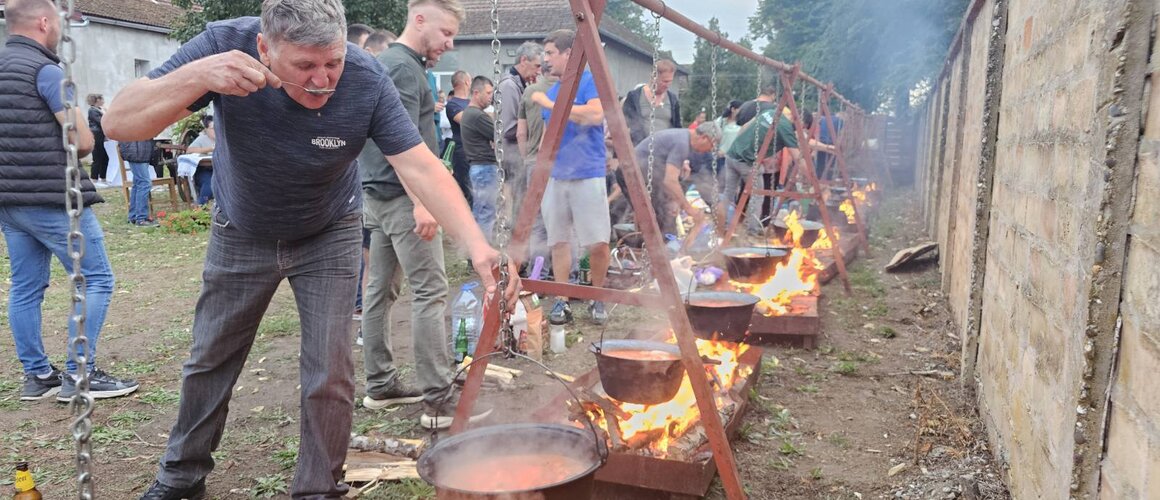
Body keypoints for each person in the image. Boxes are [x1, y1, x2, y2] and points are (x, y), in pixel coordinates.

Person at [101, 0, 514, 497]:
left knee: (330, 368)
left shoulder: (365, 78)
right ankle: (180, 478)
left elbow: (420, 165)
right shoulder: (221, 46)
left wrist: (477, 246)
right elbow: (119, 123)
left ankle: (319, 486)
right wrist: (199, 76)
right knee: (211, 358)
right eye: (305, 65)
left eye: (332, 62)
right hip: (242, 229)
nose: (322, 80)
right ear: (263, 48)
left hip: (328, 230)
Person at [358, 0, 498, 431]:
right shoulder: (402, 68)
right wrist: (422, 200)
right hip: (403, 197)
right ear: (419, 19)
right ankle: (439, 400)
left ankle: (380, 384)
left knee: (380, 290)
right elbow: (395, 143)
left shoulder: (394, 63)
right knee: (431, 290)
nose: (449, 44)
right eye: (446, 33)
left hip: (379, 195)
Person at [0, 0, 140, 403]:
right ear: (45, 22)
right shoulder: (46, 71)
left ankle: (37, 376)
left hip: (9, 201)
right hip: (53, 199)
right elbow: (80, 140)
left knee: (25, 286)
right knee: (97, 278)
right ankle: (81, 373)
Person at [531, 29, 611, 325]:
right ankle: (562, 299)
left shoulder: (590, 81)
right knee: (559, 241)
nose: (546, 59)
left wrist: (549, 104)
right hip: (556, 177)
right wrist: (540, 172)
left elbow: (594, 116)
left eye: (550, 53)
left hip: (587, 173)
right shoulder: (554, 90)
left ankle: (597, 297)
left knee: (597, 243)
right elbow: (548, 136)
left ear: (569, 54)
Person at [627, 123, 720, 235]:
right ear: (704, 138)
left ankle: (647, 241)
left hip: (639, 172)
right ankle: (659, 243)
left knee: (659, 216)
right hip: (634, 173)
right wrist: (688, 208)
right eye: (711, 146)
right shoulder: (682, 143)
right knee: (661, 218)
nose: (710, 150)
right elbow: (670, 181)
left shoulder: (683, 137)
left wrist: (676, 201)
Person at [516, 65, 554, 273]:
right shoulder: (569, 88)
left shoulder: (530, 91)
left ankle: (539, 272)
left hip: (534, 161)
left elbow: (521, 133)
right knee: (564, 220)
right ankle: (567, 274)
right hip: (562, 164)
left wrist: (526, 157)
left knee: (538, 220)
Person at [495, 41, 542, 205]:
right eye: (537, 66)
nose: (539, 71)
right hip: (512, 155)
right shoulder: (509, 85)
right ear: (523, 60)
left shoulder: (520, 84)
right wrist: (535, 127)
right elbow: (507, 127)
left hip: (517, 153)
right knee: (519, 203)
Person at [460, 76, 498, 238]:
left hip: (479, 167)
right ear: (476, 93)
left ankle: (476, 246)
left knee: (480, 210)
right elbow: (499, 136)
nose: (491, 96)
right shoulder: (477, 116)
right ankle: (483, 246)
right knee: (486, 212)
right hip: (485, 168)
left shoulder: (469, 113)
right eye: (488, 93)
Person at [621, 58, 681, 145]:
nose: (667, 85)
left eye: (670, 81)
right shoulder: (634, 97)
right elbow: (624, 124)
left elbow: (677, 127)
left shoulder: (673, 99)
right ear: (654, 77)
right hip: (640, 146)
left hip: (665, 148)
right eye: (664, 81)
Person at [444, 69, 472, 205]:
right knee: (466, 187)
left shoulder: (471, 102)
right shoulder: (452, 104)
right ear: (467, 82)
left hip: (475, 150)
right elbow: (468, 121)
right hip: (462, 151)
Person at [121, 139, 159, 226]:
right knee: (144, 184)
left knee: (138, 183)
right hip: (137, 151)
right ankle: (141, 218)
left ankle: (134, 216)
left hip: (138, 150)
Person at [184, 115, 216, 205]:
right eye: (213, 128)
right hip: (204, 170)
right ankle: (201, 205)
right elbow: (189, 150)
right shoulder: (202, 139)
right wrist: (210, 149)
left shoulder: (224, 138)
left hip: (220, 169)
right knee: (209, 184)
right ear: (206, 130)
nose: (216, 131)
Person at [86, 93, 109, 183]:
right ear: (98, 100)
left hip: (101, 135)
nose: (103, 101)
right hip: (97, 135)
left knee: (104, 157)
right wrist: (106, 114)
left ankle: (103, 177)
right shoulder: (92, 110)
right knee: (97, 157)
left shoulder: (99, 109)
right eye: (102, 99)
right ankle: (94, 178)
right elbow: (101, 122)